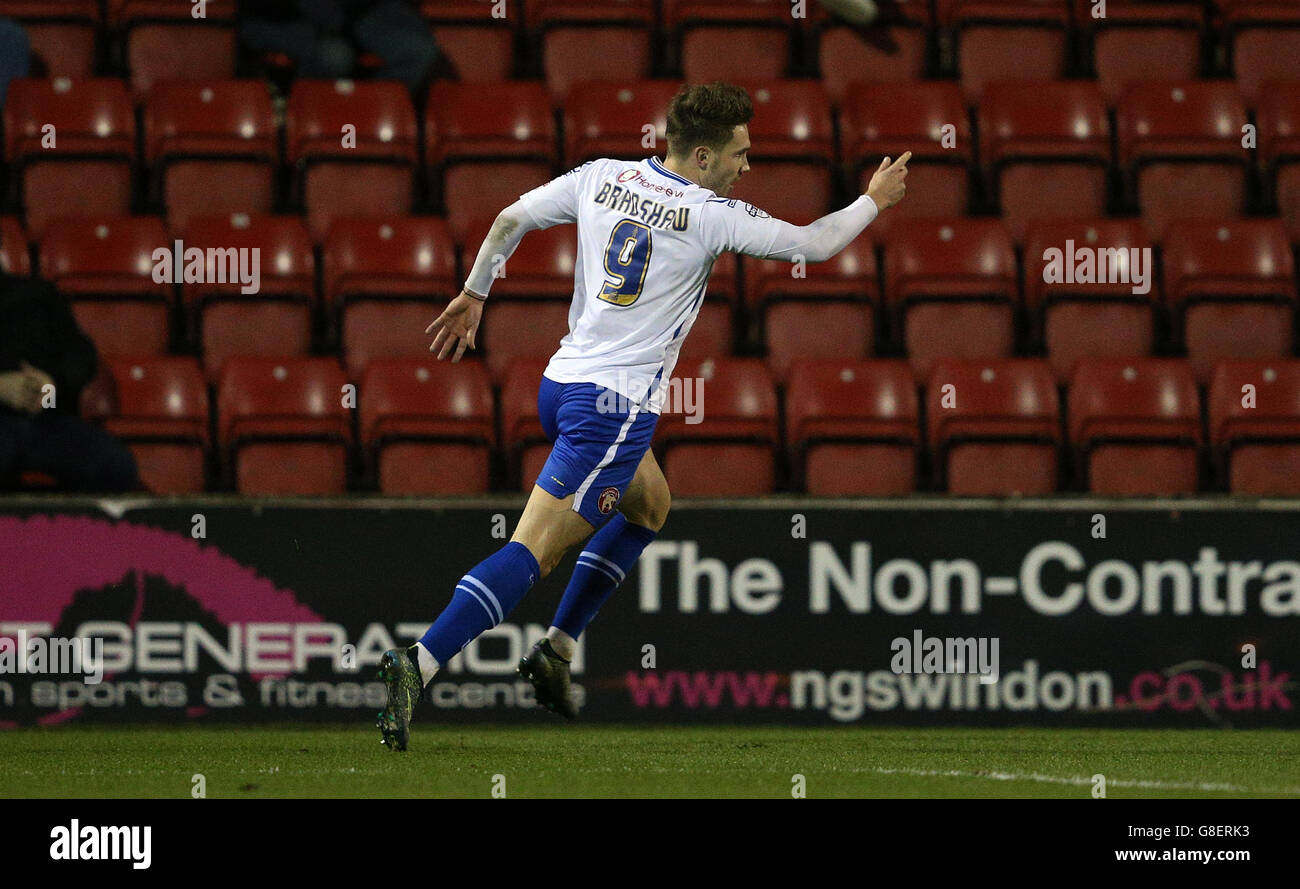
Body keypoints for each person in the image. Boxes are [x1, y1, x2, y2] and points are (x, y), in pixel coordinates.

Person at [376, 82, 910, 750]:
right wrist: (872, 199)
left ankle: (557, 649)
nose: (749, 165)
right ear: (706, 156)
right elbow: (816, 244)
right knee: (534, 552)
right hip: (614, 411)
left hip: (561, 385)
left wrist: (475, 291)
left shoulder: (601, 176)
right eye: (741, 153)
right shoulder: (713, 213)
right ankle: (417, 664)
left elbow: (511, 216)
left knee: (651, 502)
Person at [0, 270, 141, 493]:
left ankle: (77, 528)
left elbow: (81, 354)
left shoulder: (38, 294)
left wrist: (52, 382)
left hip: (47, 420)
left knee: (115, 465)